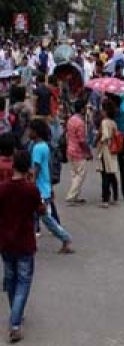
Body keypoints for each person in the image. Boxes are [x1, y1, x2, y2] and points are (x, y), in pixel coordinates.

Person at [0, 150, 46, 343]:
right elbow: (41, 210)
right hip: (25, 241)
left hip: (6, 241)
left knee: (11, 279)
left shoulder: (2, 188)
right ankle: (15, 322)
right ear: (28, 167)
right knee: (23, 282)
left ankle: (16, 315)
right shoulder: (30, 190)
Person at [29, 119, 74, 253]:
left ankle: (65, 238)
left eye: (31, 130)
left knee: (42, 218)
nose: (29, 132)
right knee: (39, 218)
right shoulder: (44, 146)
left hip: (39, 189)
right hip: (44, 188)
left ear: (36, 132)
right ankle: (33, 243)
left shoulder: (37, 148)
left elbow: (35, 171)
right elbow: (46, 168)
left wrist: (30, 186)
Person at [65, 100, 91, 204]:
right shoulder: (80, 123)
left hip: (70, 149)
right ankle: (71, 195)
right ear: (81, 109)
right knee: (81, 174)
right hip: (78, 152)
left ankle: (75, 195)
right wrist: (88, 152)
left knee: (74, 174)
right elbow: (82, 141)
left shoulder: (71, 120)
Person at [95, 101, 119, 208]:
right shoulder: (113, 122)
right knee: (111, 174)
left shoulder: (104, 122)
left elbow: (105, 135)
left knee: (105, 174)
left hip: (105, 150)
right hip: (112, 150)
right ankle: (115, 196)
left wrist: (100, 140)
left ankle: (105, 199)